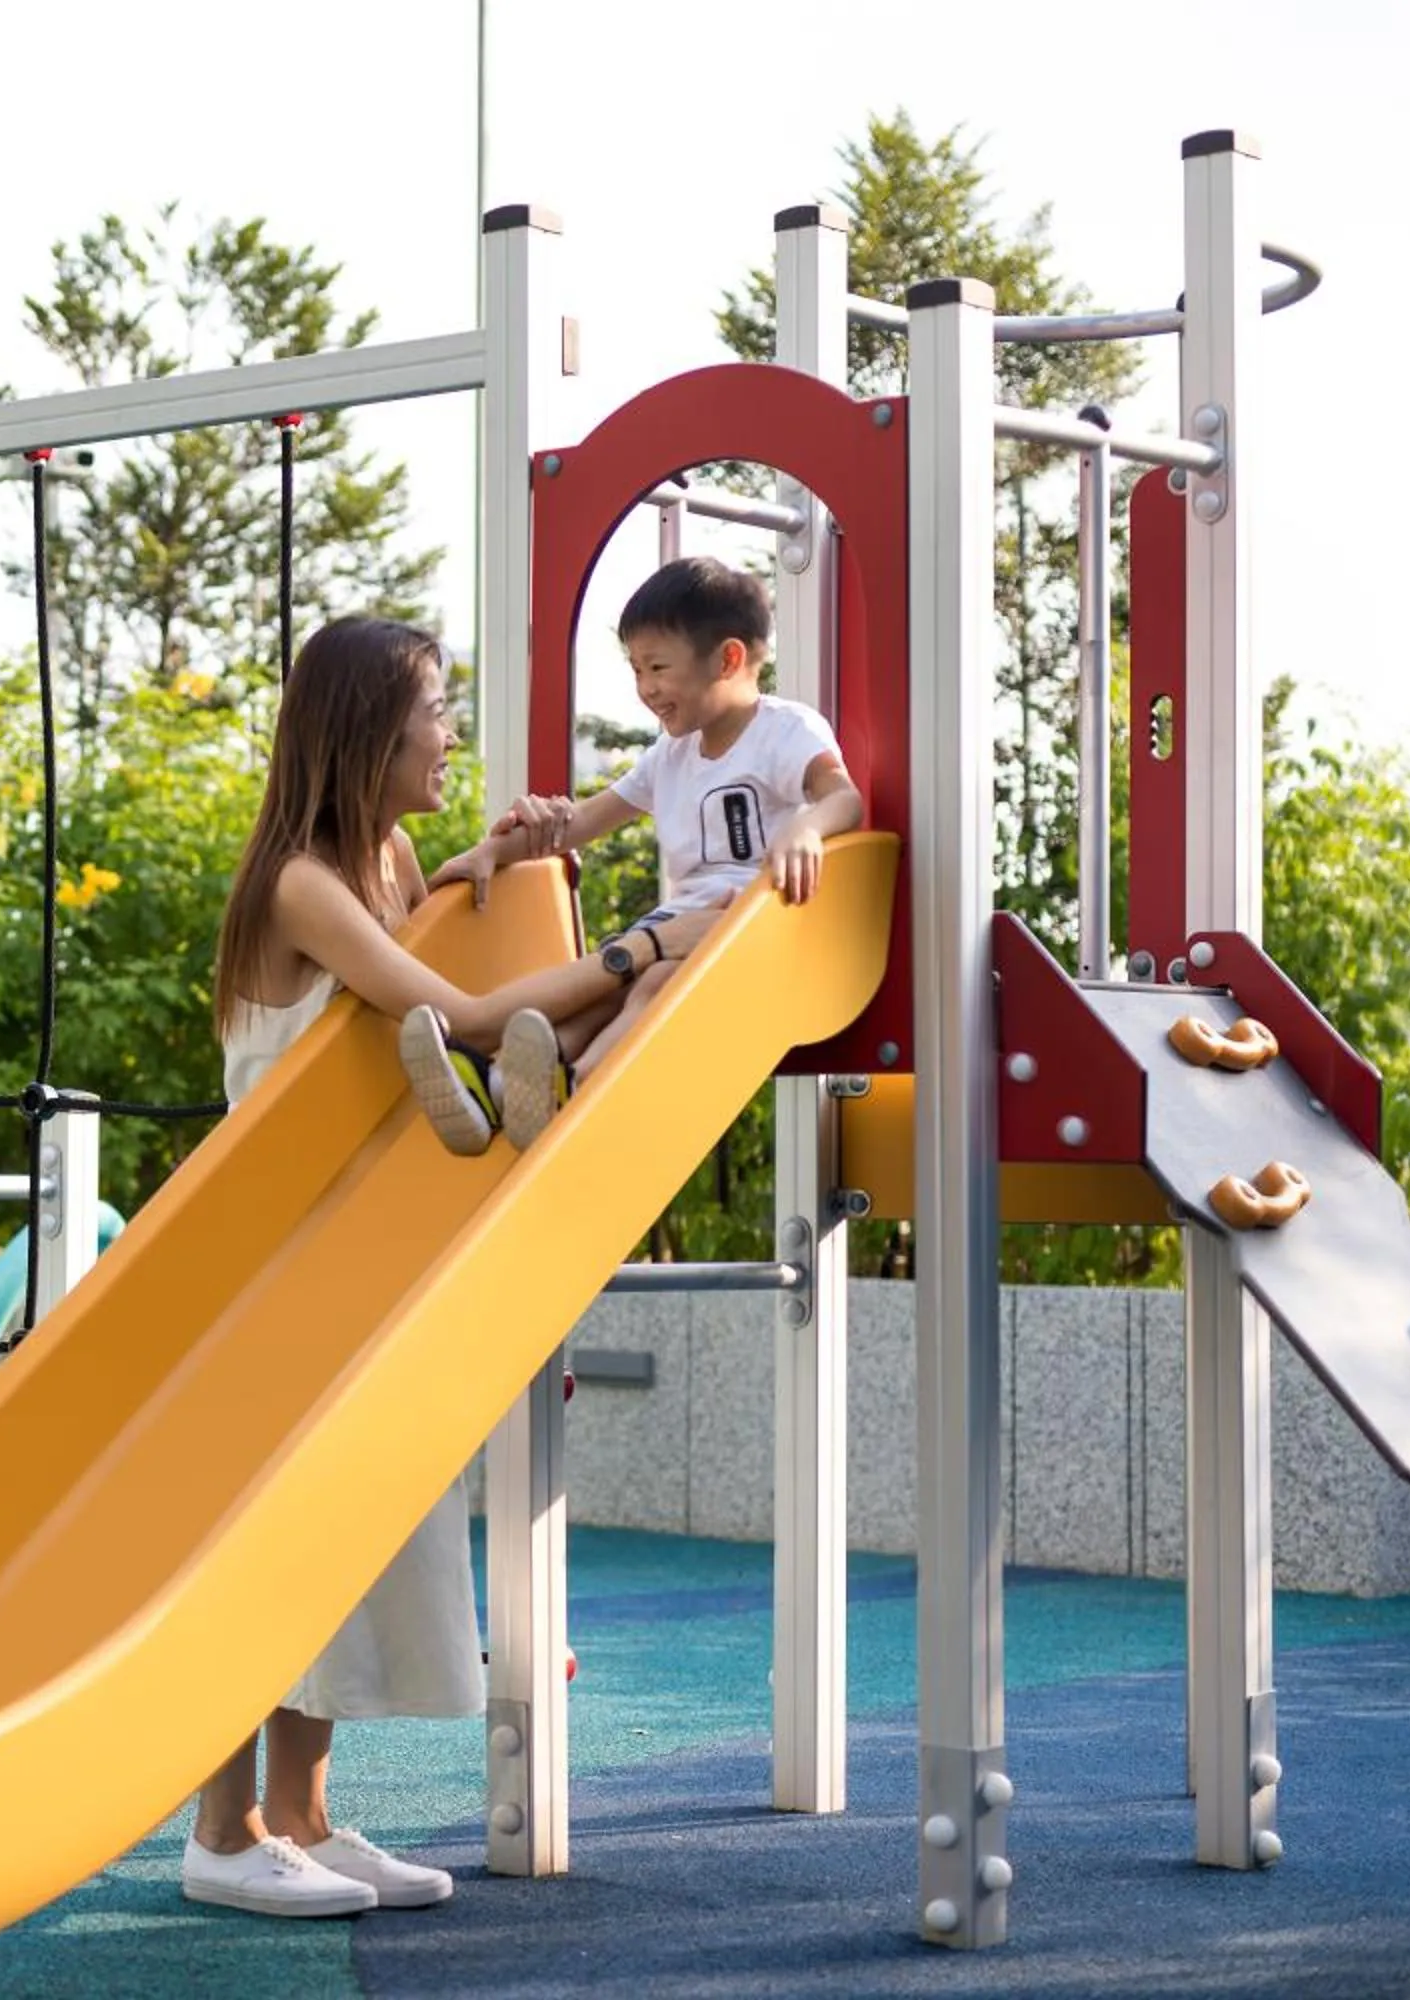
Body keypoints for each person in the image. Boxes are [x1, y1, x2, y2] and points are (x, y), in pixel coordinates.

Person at [190, 612, 637, 1920]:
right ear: (367, 733)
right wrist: (637, 962)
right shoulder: (299, 885)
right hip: (273, 1266)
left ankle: (306, 1819)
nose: (450, 733)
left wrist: (486, 861)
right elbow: (465, 1013)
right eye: (435, 711)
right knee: (274, 1547)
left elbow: (428, 916)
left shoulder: (377, 858)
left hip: (357, 1257)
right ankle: (220, 1834)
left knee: (354, 1540)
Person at [399, 555, 863, 1154]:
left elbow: (843, 798)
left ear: (727, 659)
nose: (645, 689)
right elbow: (583, 822)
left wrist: (806, 831)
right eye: (636, 669)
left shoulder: (784, 731)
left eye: (658, 667)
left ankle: (578, 1089)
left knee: (652, 985)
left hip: (749, 927)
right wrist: (493, 851)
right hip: (678, 925)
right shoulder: (671, 756)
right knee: (596, 993)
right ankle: (497, 1085)